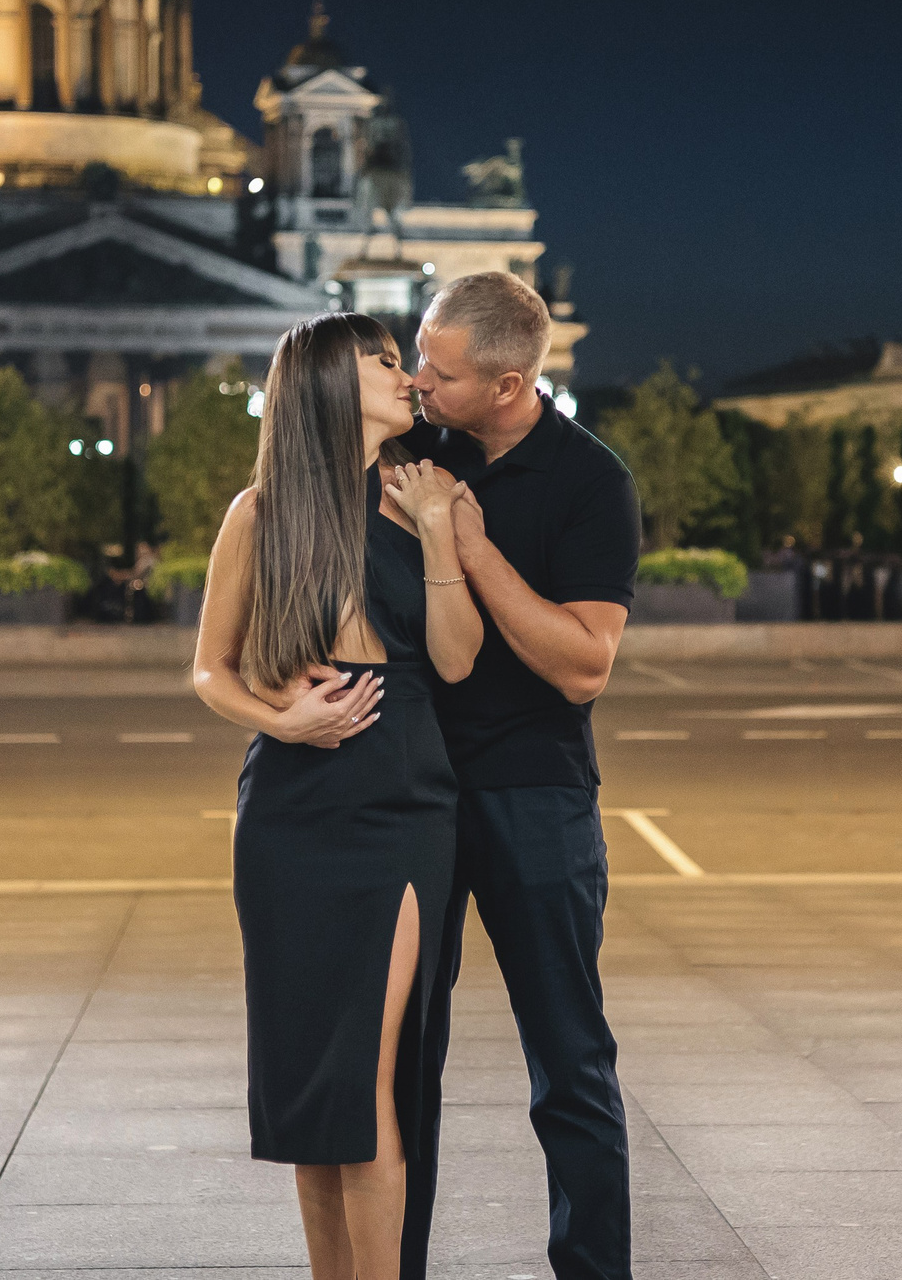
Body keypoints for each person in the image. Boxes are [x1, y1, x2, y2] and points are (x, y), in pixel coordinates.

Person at [192, 313, 481, 1280]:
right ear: (323, 381)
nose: (409, 376)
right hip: (290, 815)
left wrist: (441, 532)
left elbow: (456, 657)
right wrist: (281, 722)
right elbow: (211, 670)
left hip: (403, 808)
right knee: (315, 1098)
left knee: (365, 1080)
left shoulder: (427, 496)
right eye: (386, 361)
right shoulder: (260, 512)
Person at [401, 269, 643, 1280]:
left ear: (508, 386)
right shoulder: (413, 450)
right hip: (409, 794)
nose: (418, 383)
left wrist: (471, 545)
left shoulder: (591, 480)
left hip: (534, 794)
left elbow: (583, 665)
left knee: (569, 1067)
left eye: (441, 373)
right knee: (400, 1067)